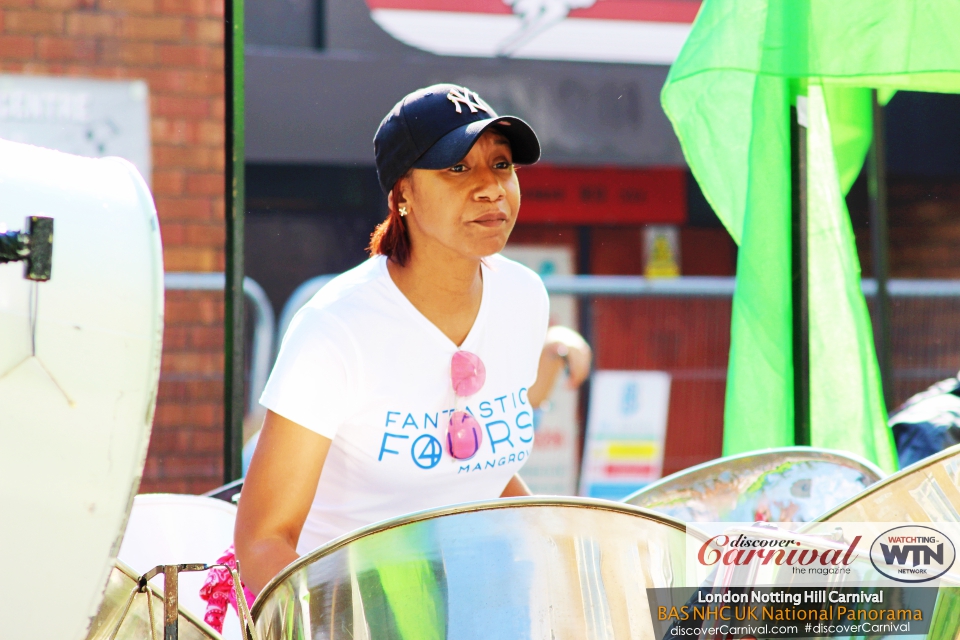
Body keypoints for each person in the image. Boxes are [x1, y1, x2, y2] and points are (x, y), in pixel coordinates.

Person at [236, 84, 550, 594]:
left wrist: (560, 553)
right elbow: (263, 543)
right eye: (458, 167)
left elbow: (482, 472)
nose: (491, 187)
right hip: (346, 612)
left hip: (465, 606)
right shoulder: (335, 329)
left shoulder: (524, 296)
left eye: (502, 164)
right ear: (402, 193)